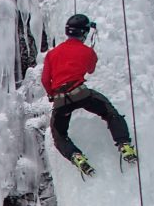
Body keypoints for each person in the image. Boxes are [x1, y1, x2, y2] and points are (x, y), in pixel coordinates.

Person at [41, 12, 139, 176]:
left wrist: (52, 95)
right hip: (81, 93)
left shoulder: (52, 54)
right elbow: (90, 69)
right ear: (84, 33)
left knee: (59, 135)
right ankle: (124, 144)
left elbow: (45, 80)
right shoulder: (87, 52)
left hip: (60, 99)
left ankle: (76, 156)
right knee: (109, 112)